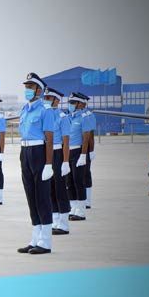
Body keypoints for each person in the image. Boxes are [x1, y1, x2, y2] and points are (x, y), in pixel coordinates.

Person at [17, 72, 55, 255]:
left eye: (31, 87)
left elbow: (49, 138)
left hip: (39, 152)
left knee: (42, 197)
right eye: (26, 87)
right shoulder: (24, 109)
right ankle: (35, 238)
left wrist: (49, 164)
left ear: (39, 90)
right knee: (31, 197)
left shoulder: (46, 110)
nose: (27, 90)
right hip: (25, 152)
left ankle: (45, 241)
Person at [43, 88, 72, 235]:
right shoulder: (45, 114)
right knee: (50, 188)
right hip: (47, 152)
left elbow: (66, 141)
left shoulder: (62, 117)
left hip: (59, 153)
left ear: (57, 101)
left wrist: (66, 161)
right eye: (45, 98)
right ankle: (55, 220)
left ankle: (64, 223)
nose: (46, 100)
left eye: (49, 98)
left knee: (60, 188)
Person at [64, 92, 92, 222]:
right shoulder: (69, 117)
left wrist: (83, 155)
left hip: (78, 152)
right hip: (68, 152)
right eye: (70, 102)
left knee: (78, 181)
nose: (71, 105)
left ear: (81, 104)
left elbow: (86, 138)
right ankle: (73, 208)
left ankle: (81, 211)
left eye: (73, 103)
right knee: (69, 182)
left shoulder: (84, 118)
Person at [82, 103, 97, 208]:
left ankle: (87, 200)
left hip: (86, 148)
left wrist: (91, 150)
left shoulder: (89, 115)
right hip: (75, 148)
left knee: (86, 173)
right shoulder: (71, 114)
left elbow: (91, 136)